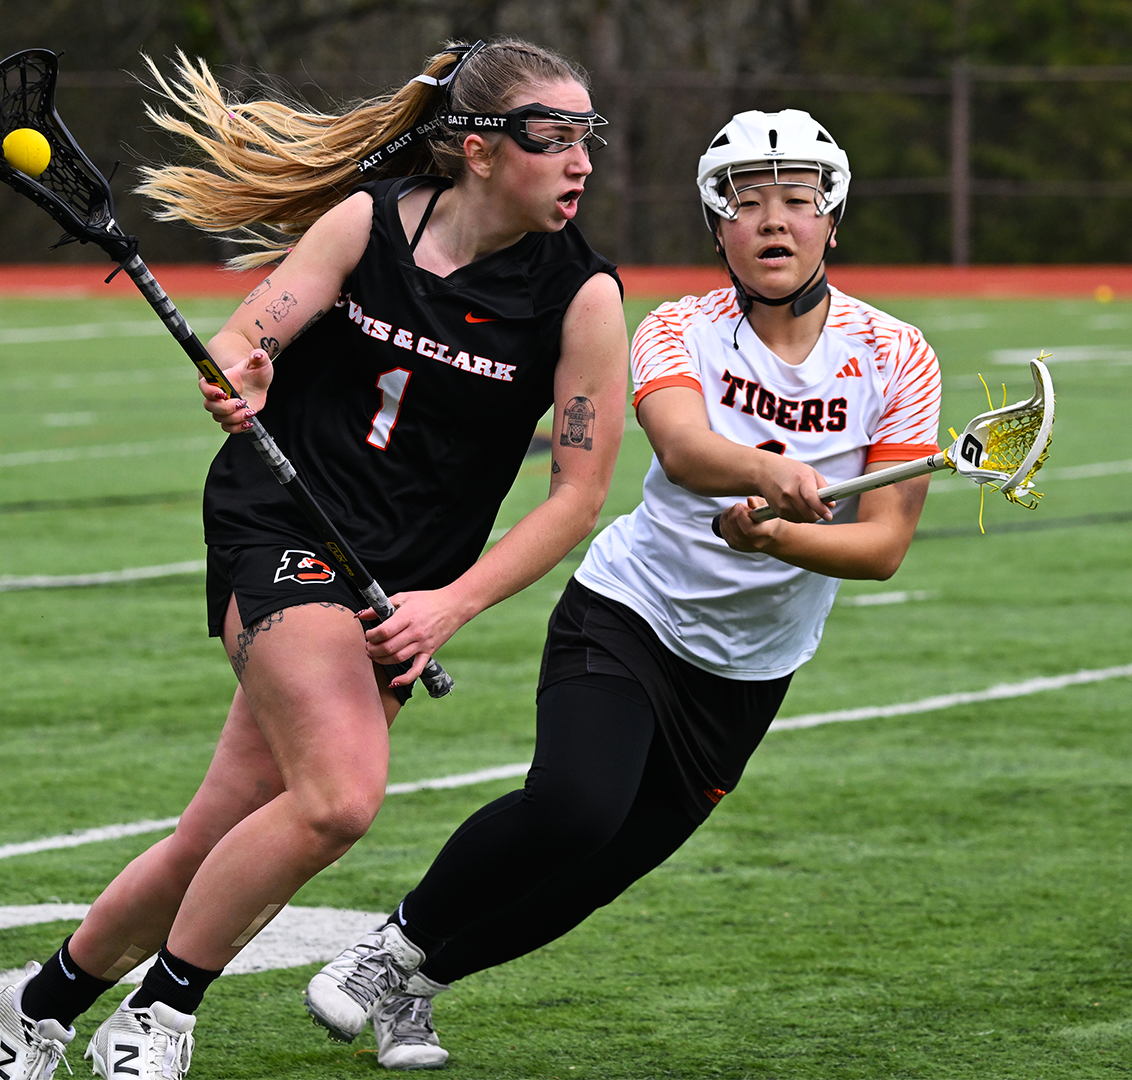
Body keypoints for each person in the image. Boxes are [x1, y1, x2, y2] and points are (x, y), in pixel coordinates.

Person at [0, 39, 627, 1080]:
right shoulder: (366, 222)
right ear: (478, 148)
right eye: (554, 136)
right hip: (279, 530)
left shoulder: (581, 298)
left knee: (217, 834)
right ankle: (159, 1016)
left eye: (590, 136)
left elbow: (577, 496)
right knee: (340, 796)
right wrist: (243, 374)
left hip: (396, 591)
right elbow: (245, 339)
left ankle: (35, 1007)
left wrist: (448, 606)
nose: (580, 159)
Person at [302, 108, 944, 1070]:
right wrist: (768, 481)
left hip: (751, 668)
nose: (775, 221)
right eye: (748, 203)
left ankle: (417, 986)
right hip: (630, 612)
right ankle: (386, 946)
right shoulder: (678, 326)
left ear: (833, 220)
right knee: (576, 808)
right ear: (716, 226)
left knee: (598, 872)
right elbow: (684, 453)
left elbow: (883, 545)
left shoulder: (898, 355)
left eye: (799, 201)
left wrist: (782, 539)